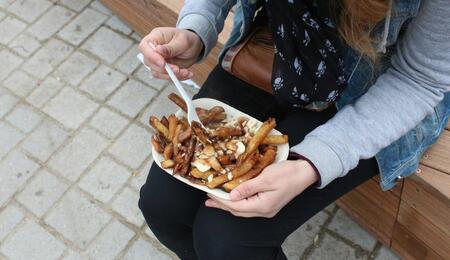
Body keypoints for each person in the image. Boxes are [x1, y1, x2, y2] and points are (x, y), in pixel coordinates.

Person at [138, 0, 450, 259]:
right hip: (279, 43)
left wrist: (313, 164)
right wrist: (195, 28)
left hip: (376, 87)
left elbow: (420, 79)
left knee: (226, 238)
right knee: (162, 206)